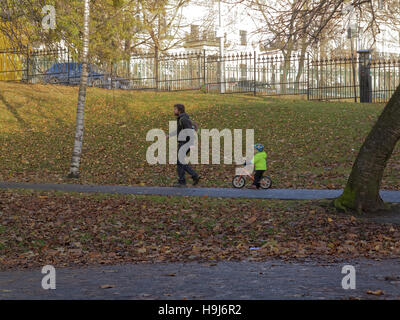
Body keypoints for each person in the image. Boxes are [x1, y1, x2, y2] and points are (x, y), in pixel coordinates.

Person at [167, 104, 200, 187]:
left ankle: (188, 179)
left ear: (179, 110)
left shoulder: (183, 119)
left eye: (175, 109)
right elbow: (179, 131)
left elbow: (189, 131)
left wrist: (190, 144)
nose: (174, 111)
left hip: (185, 143)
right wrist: (169, 135)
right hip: (184, 142)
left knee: (180, 162)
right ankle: (186, 179)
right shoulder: (182, 119)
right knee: (180, 162)